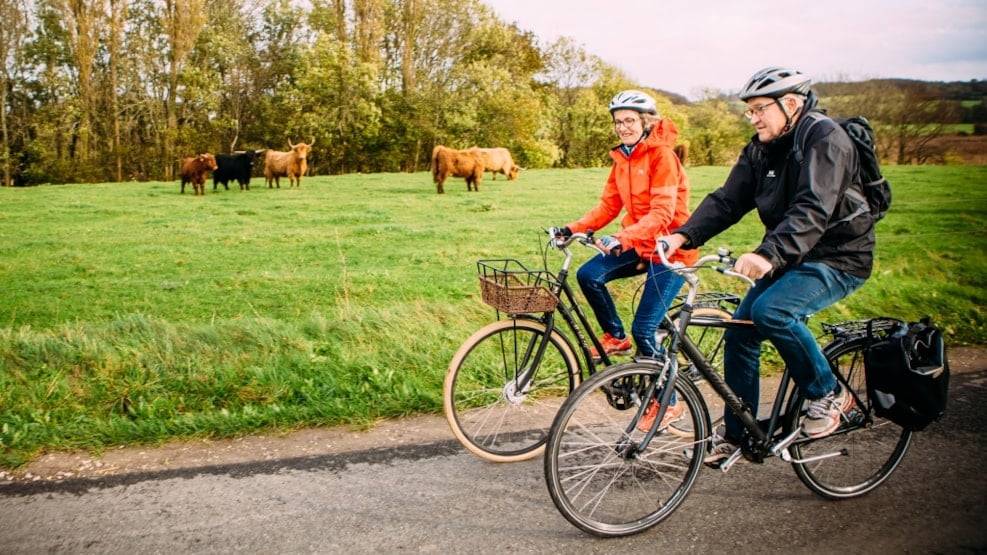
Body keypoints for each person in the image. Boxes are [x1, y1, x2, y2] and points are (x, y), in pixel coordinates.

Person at [658, 67, 876, 464]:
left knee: (771, 311)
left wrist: (767, 255)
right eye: (750, 111)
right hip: (794, 253)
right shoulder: (761, 147)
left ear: (790, 104)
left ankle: (829, 394)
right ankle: (741, 436)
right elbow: (728, 200)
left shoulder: (826, 139)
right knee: (742, 332)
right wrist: (684, 235)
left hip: (839, 256)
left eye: (760, 109)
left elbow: (813, 209)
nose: (754, 117)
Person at [552, 89, 698, 432]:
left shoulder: (663, 158)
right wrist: (571, 228)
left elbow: (663, 213)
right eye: (619, 122)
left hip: (670, 251)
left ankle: (670, 403)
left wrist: (622, 238)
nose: (623, 127)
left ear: (647, 122)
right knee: (589, 275)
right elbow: (608, 207)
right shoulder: (623, 159)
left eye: (630, 120)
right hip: (639, 243)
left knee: (646, 328)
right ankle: (615, 337)